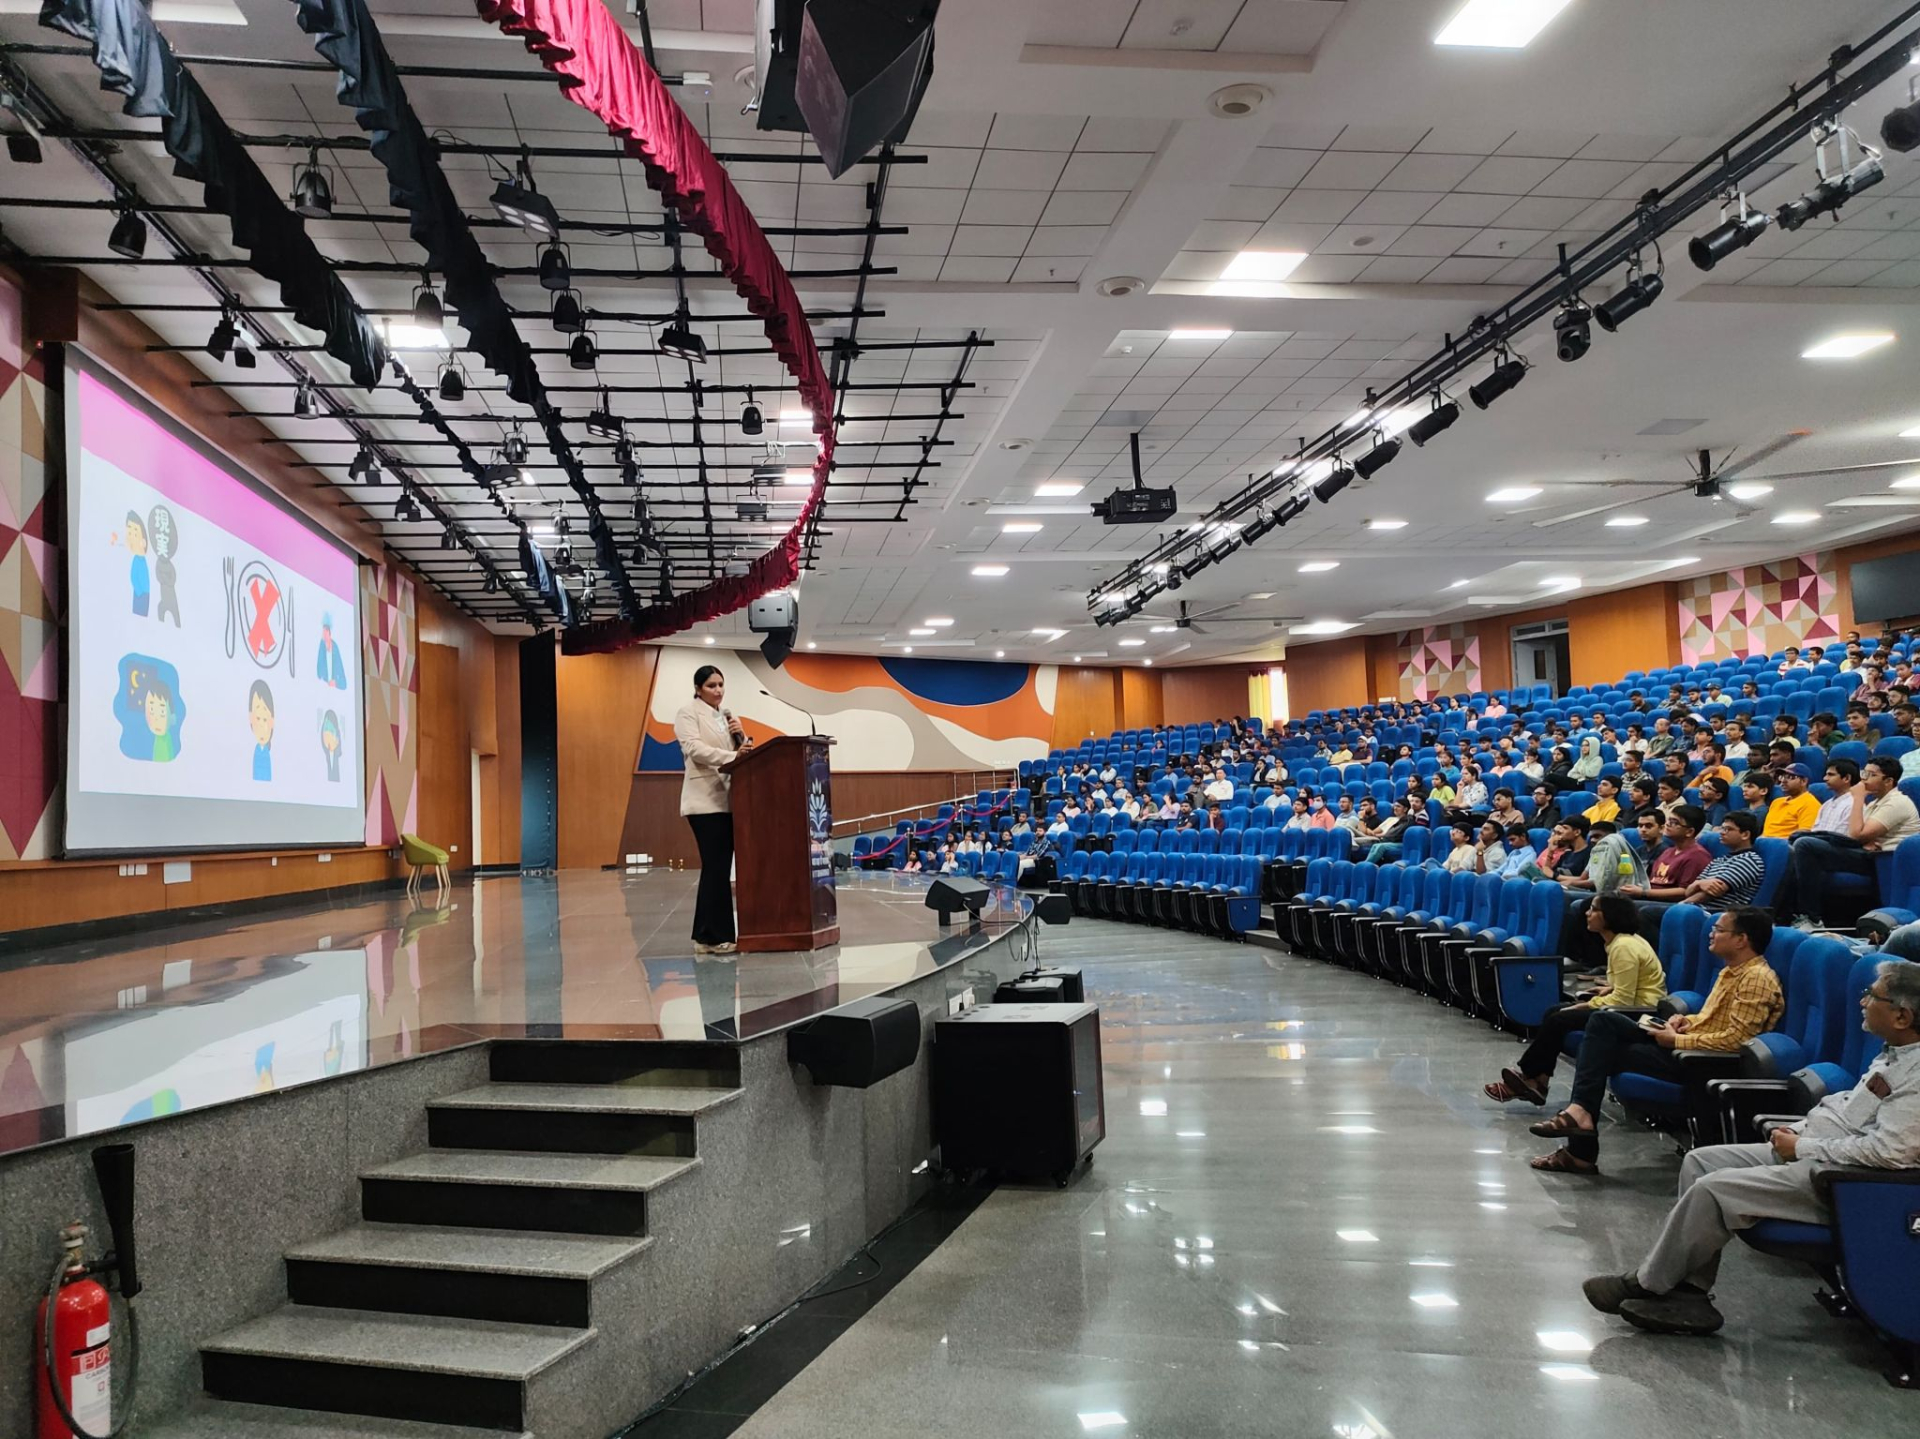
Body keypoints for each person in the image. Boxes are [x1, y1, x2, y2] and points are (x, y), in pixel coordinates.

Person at [1585, 954, 1920, 1335]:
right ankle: (1690, 1293)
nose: (1862, 1001)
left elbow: (1889, 1153)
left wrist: (1803, 1148)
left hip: (1845, 1183)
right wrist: (1801, 1130)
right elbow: (1852, 1112)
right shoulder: (1894, 1053)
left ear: (1902, 1016)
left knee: (1713, 1190)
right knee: (1700, 1162)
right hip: (1817, 1150)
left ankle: (1646, 1283)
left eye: (1871, 995)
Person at [1528, 908, 1785, 1174]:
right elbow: (1713, 1020)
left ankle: (1580, 1141)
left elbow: (1737, 1040)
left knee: (1597, 1047)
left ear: (1741, 940)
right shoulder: (1732, 971)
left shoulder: (1756, 979)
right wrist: (1684, 1021)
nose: (1711, 934)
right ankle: (1579, 1123)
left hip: (1701, 1064)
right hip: (1688, 1046)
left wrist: (1676, 1041)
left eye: (1719, 930)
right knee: (1603, 1023)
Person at [1484, 893, 1667, 1106]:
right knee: (1553, 1012)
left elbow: (1624, 1000)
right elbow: (1632, 984)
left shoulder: (1623, 947)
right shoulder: (1621, 941)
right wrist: (1608, 989)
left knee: (1559, 1018)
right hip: (1631, 1006)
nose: (1587, 913)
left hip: (1638, 1014)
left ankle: (1530, 1078)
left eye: (1594, 909)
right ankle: (1538, 1080)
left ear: (1609, 916)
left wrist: (1585, 1005)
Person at [674, 663, 753, 954]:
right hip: (704, 800)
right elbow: (694, 749)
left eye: (720, 685)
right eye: (711, 686)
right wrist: (732, 755)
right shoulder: (688, 713)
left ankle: (707, 935)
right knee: (715, 867)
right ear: (698, 689)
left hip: (728, 799)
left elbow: (741, 754)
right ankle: (712, 937)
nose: (718, 690)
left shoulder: (727, 716)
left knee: (718, 868)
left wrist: (742, 736)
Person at [1784, 757, 1920, 925]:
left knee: (1806, 845)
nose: (1864, 780)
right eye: (1864, 773)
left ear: (1888, 781)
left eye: (1871, 775)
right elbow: (1858, 835)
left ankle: (1811, 918)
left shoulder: (1896, 802)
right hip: (1870, 855)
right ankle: (1786, 915)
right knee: (1797, 845)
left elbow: (1856, 834)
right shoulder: (1876, 803)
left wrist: (1858, 798)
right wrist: (1864, 839)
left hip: (1886, 860)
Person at [1761, 762, 1820, 839]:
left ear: (1803, 781)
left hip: (1785, 844)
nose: (1783, 781)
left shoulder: (1810, 804)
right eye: (1782, 776)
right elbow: (1766, 831)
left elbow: (1804, 835)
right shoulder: (1776, 802)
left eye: (1790, 777)